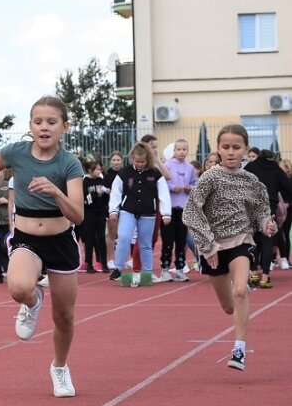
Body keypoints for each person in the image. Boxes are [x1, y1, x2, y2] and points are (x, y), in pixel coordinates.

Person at [0, 95, 84, 398]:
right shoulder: (15, 153)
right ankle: (32, 302)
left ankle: (59, 368)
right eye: (37, 121)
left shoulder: (69, 163)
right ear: (30, 125)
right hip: (26, 236)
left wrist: (55, 191)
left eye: (51, 122)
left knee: (65, 317)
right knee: (18, 288)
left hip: (61, 239)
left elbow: (78, 215)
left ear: (65, 127)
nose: (43, 127)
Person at [182, 124, 278, 371]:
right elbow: (191, 211)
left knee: (239, 292)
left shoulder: (252, 181)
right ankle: (241, 290)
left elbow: (260, 211)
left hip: (241, 240)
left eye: (237, 147)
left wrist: (266, 224)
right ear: (218, 149)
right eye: (226, 147)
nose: (231, 152)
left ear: (246, 149)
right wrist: (207, 244)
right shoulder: (211, 177)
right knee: (228, 306)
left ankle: (239, 349)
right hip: (213, 246)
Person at [108, 142, 172, 282]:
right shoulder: (124, 172)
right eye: (137, 161)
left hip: (148, 213)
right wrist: (113, 210)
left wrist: (166, 213)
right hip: (128, 210)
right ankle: (118, 268)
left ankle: (147, 272)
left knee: (145, 243)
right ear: (132, 158)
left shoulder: (155, 173)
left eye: (143, 161)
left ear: (147, 159)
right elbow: (116, 192)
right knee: (124, 237)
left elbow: (164, 193)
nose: (140, 164)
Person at [243, 149, 292, 288]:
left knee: (252, 242)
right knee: (268, 243)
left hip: (251, 209)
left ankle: (252, 274)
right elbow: (289, 188)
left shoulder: (250, 167)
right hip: (268, 209)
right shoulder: (276, 170)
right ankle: (264, 278)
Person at [158, 139, 198, 282]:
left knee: (181, 241)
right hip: (169, 209)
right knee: (168, 240)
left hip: (183, 209)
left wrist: (189, 189)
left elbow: (195, 183)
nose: (181, 152)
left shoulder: (190, 168)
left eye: (184, 149)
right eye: (179, 149)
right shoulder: (167, 165)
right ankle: (165, 269)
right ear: (174, 151)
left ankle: (180, 268)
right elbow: (162, 183)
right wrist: (172, 188)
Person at [81, 160, 109, 273]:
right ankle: (89, 264)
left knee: (102, 237)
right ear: (90, 171)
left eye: (99, 169)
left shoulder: (102, 180)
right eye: (97, 169)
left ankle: (104, 263)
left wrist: (106, 193)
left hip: (101, 212)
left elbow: (106, 199)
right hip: (89, 212)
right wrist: (95, 194)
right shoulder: (85, 182)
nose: (99, 171)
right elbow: (85, 198)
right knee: (90, 239)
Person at [103, 151, 124, 270]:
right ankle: (110, 259)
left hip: (125, 207)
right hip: (111, 208)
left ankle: (126, 259)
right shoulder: (107, 175)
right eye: (114, 160)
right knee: (112, 234)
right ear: (111, 161)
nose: (116, 162)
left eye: (118, 160)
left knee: (124, 235)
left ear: (122, 161)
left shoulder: (125, 173)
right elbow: (105, 190)